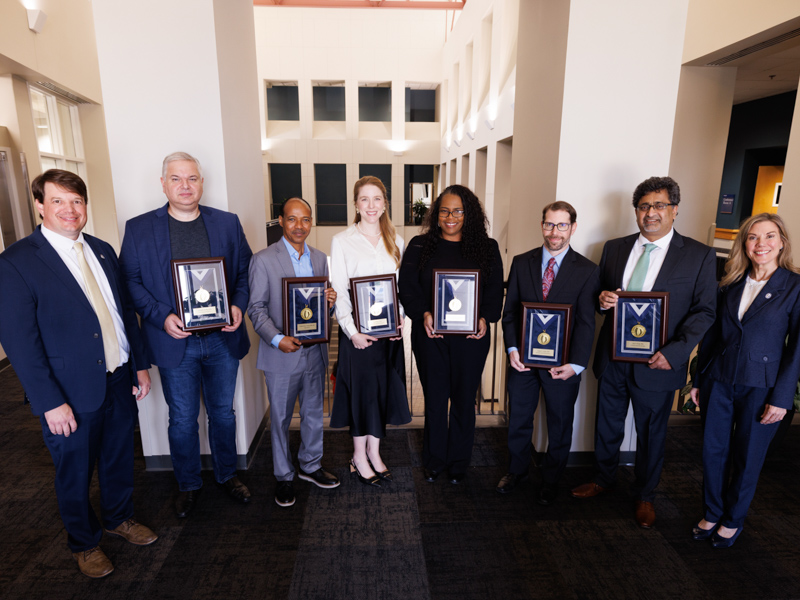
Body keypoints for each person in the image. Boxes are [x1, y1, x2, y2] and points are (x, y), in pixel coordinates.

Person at [0, 170, 157, 578]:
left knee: (119, 458)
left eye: (76, 201)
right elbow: (21, 344)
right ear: (39, 205)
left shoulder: (102, 250)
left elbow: (125, 315)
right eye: (58, 201)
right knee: (73, 471)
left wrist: (139, 364)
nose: (69, 210)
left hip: (119, 377)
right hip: (67, 391)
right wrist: (49, 401)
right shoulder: (16, 263)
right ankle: (84, 543)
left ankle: (119, 518)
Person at [571, 176, 717, 529]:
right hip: (613, 358)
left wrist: (677, 353)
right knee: (606, 425)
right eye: (644, 206)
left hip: (659, 362)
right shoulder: (614, 248)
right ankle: (604, 479)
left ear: (675, 210)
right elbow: (600, 296)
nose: (650, 213)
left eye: (659, 205)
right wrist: (603, 301)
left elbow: (706, 311)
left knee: (652, 435)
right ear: (636, 211)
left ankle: (645, 495)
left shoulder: (698, 255)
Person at [120, 152, 252, 517]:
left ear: (202, 183)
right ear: (163, 184)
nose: (185, 186)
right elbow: (129, 282)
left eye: (192, 178)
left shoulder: (226, 223)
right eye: (176, 179)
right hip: (175, 341)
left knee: (223, 414)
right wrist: (161, 317)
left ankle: (227, 476)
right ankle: (189, 484)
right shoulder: (139, 228)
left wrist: (238, 305)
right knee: (182, 418)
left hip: (222, 338)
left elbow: (244, 272)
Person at [690, 213, 800, 548]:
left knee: (748, 455)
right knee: (713, 451)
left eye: (769, 236)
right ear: (744, 244)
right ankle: (712, 511)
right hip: (719, 379)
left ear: (781, 241)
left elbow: (797, 349)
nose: (761, 244)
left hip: (762, 385)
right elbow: (712, 335)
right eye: (753, 237)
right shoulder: (731, 282)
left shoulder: (794, 287)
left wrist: (782, 398)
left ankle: (733, 519)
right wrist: (697, 378)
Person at [399, 185, 504, 484]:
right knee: (434, 399)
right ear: (436, 214)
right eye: (444, 210)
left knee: (462, 401)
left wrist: (485, 317)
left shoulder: (487, 247)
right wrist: (424, 314)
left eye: (458, 210)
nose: (450, 216)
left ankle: (458, 462)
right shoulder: (420, 246)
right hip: (430, 337)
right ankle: (434, 461)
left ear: (469, 214)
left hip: (471, 340)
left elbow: (494, 291)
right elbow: (407, 287)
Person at [496, 201, 600, 505]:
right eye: (549, 224)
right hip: (524, 363)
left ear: (573, 227)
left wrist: (577, 365)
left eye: (562, 225)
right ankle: (517, 471)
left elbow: (585, 322)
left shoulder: (587, 270)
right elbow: (511, 313)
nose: (554, 232)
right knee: (519, 420)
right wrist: (512, 349)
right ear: (542, 225)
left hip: (563, 366)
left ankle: (551, 479)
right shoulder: (521, 262)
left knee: (559, 423)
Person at [247, 197, 340, 507]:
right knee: (282, 417)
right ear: (281, 221)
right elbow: (256, 309)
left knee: (314, 414)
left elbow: (319, 310)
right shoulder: (263, 260)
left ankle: (310, 466)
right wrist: (276, 339)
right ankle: (284, 476)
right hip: (281, 354)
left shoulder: (320, 258)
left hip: (314, 352)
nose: (299, 226)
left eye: (305, 220)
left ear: (311, 222)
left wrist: (329, 300)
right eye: (292, 219)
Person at [329, 176, 411, 486]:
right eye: (365, 199)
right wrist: (352, 332)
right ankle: (358, 457)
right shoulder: (342, 241)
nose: (371, 205)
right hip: (359, 337)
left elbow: (400, 291)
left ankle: (375, 453)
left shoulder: (397, 241)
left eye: (377, 199)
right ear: (355, 204)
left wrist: (399, 319)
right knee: (362, 396)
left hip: (388, 335)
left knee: (381, 394)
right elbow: (340, 291)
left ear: (385, 203)